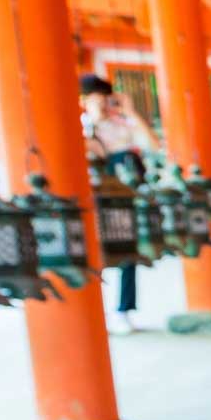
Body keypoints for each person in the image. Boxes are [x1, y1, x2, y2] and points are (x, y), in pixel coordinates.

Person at [79, 74, 159, 335]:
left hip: (120, 199)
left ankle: (123, 310)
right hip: (90, 202)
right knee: (90, 255)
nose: (102, 105)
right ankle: (91, 312)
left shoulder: (119, 126)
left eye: (105, 100)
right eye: (96, 100)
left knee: (127, 253)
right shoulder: (78, 128)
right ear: (83, 101)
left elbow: (152, 146)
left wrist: (130, 112)